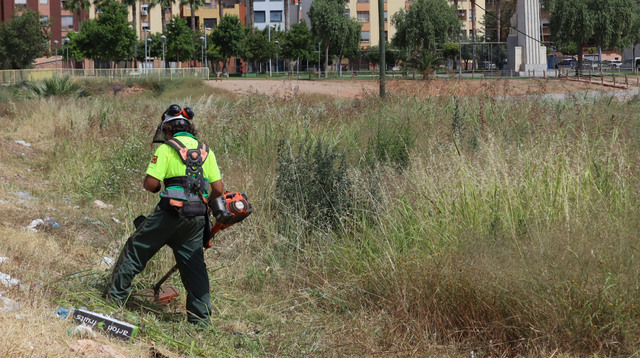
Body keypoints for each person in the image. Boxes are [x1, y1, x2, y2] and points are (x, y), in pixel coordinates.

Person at [106, 104, 224, 326]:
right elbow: (218, 189)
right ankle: (201, 321)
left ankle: (113, 300)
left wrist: (156, 187)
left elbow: (151, 184)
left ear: (167, 129)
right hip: (197, 218)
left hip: (169, 214)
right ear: (190, 128)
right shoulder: (207, 150)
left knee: (135, 250)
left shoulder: (166, 149)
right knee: (195, 266)